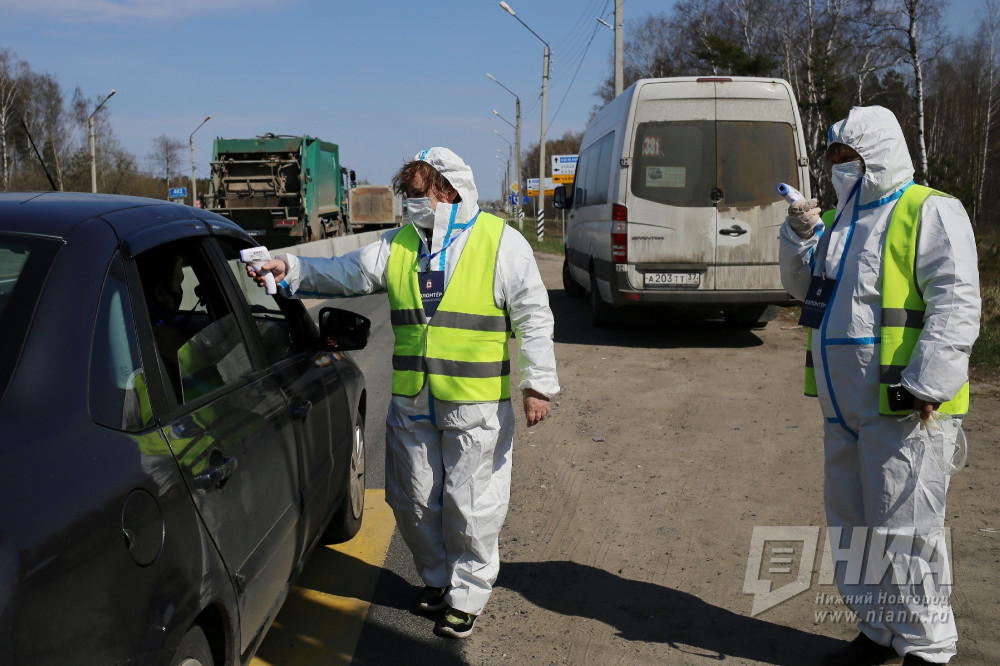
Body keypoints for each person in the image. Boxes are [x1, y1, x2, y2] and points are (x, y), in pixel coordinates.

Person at [248, 147, 559, 638]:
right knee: (413, 499)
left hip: (475, 402)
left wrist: (538, 382)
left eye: (420, 193)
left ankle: (468, 592)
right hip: (413, 397)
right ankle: (437, 580)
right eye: (408, 194)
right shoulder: (400, 244)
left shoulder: (502, 243)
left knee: (471, 502)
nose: (412, 202)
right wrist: (295, 269)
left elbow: (533, 314)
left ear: (449, 190)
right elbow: (346, 272)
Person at [779, 106, 981, 665]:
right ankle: (878, 630)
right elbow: (804, 288)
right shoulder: (843, 221)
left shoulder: (929, 210)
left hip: (905, 404)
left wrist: (930, 383)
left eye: (848, 158)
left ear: (878, 157)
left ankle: (928, 646)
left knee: (908, 527)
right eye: (834, 157)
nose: (838, 167)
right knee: (853, 525)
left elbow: (957, 300)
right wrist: (799, 235)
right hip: (843, 405)